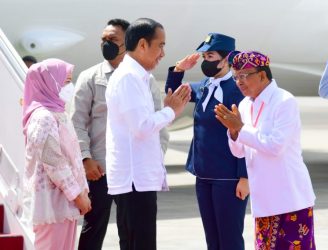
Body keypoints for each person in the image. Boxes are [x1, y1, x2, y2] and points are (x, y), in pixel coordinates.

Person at [70, 18, 170, 250]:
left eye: (113, 39)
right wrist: (85, 158)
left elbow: (158, 124)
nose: (106, 44)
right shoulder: (91, 77)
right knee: (93, 228)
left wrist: (154, 158)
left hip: (133, 171)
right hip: (99, 169)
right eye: (103, 40)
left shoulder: (145, 78)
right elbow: (78, 122)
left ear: (129, 42)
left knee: (131, 232)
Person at [214, 51, 316, 250]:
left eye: (244, 76)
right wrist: (234, 133)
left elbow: (275, 147)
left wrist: (241, 129)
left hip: (290, 197)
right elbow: (239, 152)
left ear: (262, 75)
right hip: (263, 199)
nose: (239, 82)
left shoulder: (284, 101)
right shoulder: (244, 105)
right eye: (236, 77)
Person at [105, 18, 190, 250]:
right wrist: (170, 111)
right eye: (160, 45)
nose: (163, 53)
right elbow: (141, 127)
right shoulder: (129, 78)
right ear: (143, 45)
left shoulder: (137, 76)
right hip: (134, 181)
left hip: (137, 179)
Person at [165, 33, 248, 250]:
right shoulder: (205, 86)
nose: (206, 61)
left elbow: (245, 135)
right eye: (204, 57)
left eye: (210, 56)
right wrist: (178, 70)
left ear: (226, 59)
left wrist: (244, 176)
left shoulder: (237, 91)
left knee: (229, 239)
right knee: (212, 238)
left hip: (228, 177)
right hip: (203, 174)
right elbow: (173, 94)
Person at [21, 58, 91, 250]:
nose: (70, 86)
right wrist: (77, 194)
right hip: (52, 206)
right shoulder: (43, 117)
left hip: (63, 204)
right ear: (49, 83)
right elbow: (54, 161)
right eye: (66, 81)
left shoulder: (57, 113)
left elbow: (71, 157)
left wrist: (81, 191)